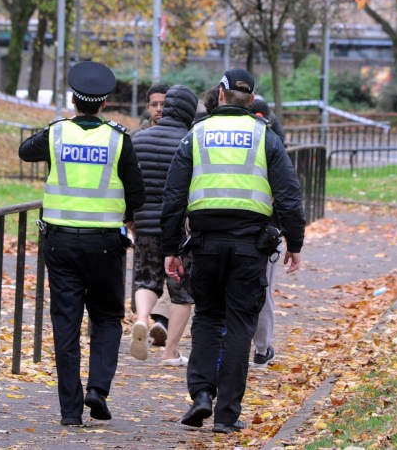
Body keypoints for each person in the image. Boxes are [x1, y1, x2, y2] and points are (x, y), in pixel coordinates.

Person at [161, 69, 306, 433]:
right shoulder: (266, 137)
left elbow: (174, 196)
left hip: (206, 244)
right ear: (251, 100)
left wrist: (171, 247)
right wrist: (295, 242)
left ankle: (201, 395)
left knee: (208, 317)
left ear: (221, 96)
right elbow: (289, 195)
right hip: (250, 246)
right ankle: (226, 413)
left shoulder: (197, 134)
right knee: (241, 324)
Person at [18, 61, 145, 426]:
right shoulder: (118, 139)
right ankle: (98, 390)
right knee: (106, 317)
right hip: (105, 243)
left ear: (73, 99)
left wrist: (55, 129)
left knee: (66, 323)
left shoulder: (56, 135)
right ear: (104, 103)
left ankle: (70, 412)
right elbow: (138, 194)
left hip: (59, 244)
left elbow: (26, 151)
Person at [129, 85, 199, 366]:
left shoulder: (140, 140)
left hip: (143, 224)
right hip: (178, 230)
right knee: (182, 293)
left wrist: (130, 216)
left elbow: (129, 182)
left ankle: (143, 318)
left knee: (147, 279)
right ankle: (170, 352)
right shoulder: (189, 142)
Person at [247, 97, 286, 369]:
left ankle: (227, 344)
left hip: (228, 227)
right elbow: (288, 194)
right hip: (267, 232)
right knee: (263, 290)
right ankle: (262, 348)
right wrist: (292, 238)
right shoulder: (273, 144)